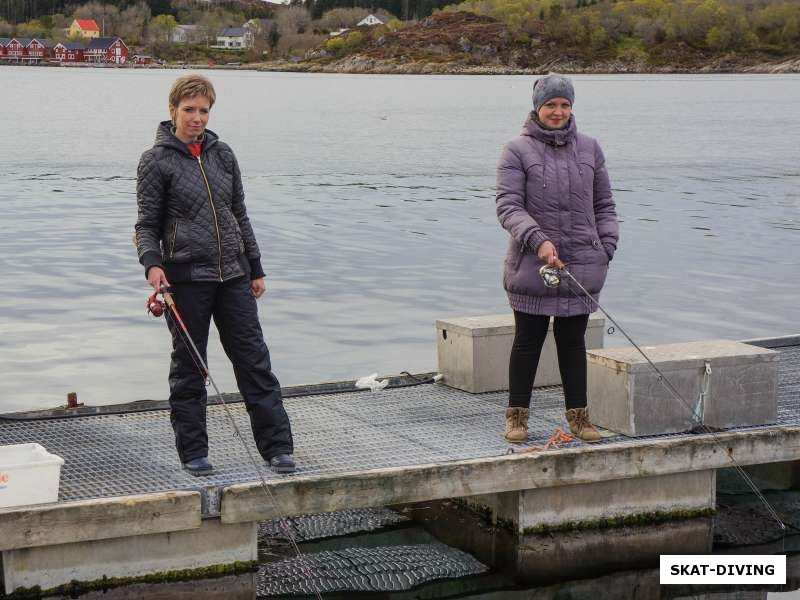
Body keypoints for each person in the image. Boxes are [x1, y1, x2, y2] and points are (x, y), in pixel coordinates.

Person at [135, 75, 295, 475]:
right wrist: (152, 266)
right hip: (185, 280)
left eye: (203, 110)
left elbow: (239, 214)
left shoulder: (223, 155)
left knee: (254, 362)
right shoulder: (155, 161)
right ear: (172, 110)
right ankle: (194, 453)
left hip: (234, 277)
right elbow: (145, 226)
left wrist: (255, 268)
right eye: (189, 110)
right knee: (190, 368)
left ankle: (278, 449)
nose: (197, 118)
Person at [495, 74, 619, 444]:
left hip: (582, 265)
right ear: (537, 107)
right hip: (533, 265)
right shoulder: (516, 150)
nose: (558, 111)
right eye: (551, 105)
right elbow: (508, 206)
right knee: (528, 341)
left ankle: (579, 418)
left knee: (573, 342)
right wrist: (538, 240)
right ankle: (517, 416)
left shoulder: (590, 149)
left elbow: (605, 206)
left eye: (564, 105)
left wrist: (607, 247)